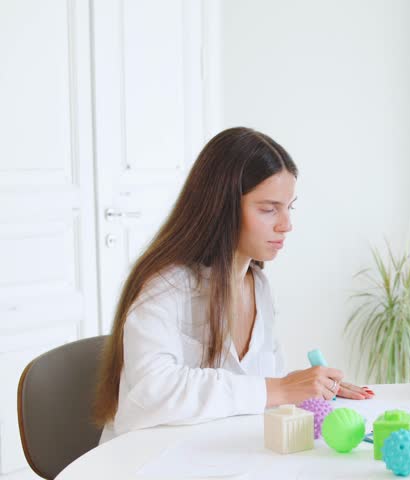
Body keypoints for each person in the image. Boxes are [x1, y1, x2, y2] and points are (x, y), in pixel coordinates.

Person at [93, 127, 372, 442]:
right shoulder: (166, 285)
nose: (286, 225)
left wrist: (305, 389)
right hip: (148, 458)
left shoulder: (259, 287)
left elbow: (254, 392)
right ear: (221, 206)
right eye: (269, 209)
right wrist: (279, 388)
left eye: (289, 207)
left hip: (216, 454)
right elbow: (152, 392)